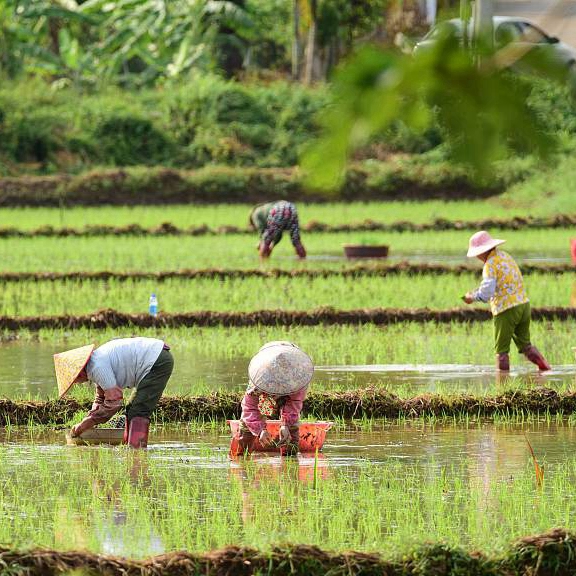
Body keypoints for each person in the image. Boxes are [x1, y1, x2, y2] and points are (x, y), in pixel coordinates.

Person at [53, 337, 174, 448]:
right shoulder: (95, 364)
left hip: (157, 361)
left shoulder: (97, 367)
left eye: (75, 380)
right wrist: (88, 420)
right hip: (155, 356)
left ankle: (137, 452)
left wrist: (88, 423)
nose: (77, 383)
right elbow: (100, 398)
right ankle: (130, 446)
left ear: (79, 373)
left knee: (139, 410)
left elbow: (115, 402)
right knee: (132, 409)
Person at [463, 231, 551, 372]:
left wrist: (471, 297)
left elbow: (486, 293)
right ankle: (546, 368)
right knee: (525, 345)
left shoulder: (490, 265)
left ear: (482, 251)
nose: (477, 257)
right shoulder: (505, 256)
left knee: (502, 351)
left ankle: (503, 385)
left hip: (505, 309)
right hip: (523, 305)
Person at [235, 341, 314, 455]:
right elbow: (250, 408)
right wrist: (261, 430)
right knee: (246, 429)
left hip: (292, 358)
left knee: (291, 433)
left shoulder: (298, 378)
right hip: (268, 359)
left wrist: (285, 425)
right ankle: (242, 458)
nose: (279, 387)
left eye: (282, 383)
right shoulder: (260, 380)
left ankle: (290, 463)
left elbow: (294, 404)